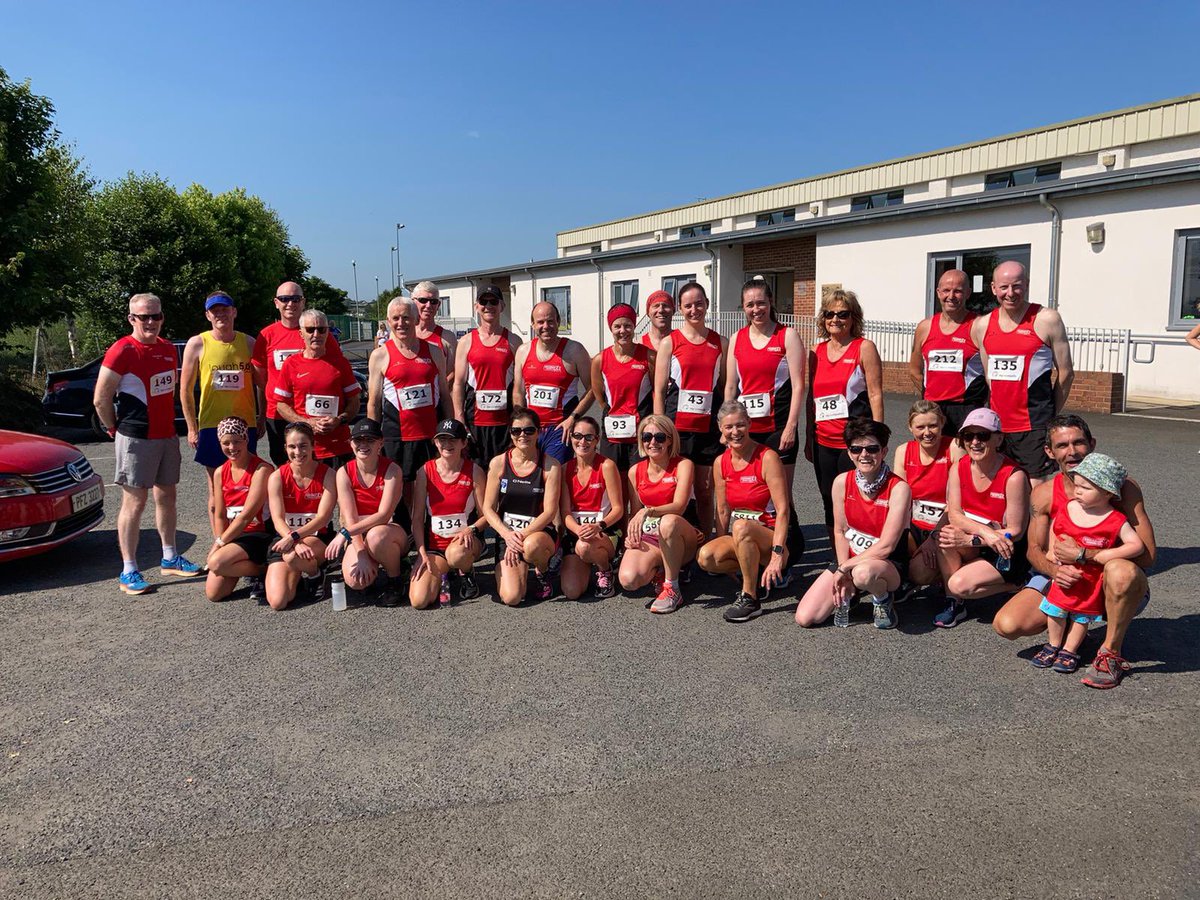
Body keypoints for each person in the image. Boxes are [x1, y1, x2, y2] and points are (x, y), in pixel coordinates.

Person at [992, 415, 1156, 689]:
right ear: (1049, 451)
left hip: (1106, 579)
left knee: (1122, 572)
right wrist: (1057, 571)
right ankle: (1071, 626)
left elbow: (1148, 555)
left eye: (1078, 442)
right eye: (1062, 445)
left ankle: (1109, 653)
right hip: (1063, 578)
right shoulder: (1044, 494)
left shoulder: (1122, 488)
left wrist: (1084, 555)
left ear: (1091, 444)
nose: (1072, 451)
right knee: (1007, 625)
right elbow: (1034, 549)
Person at [93, 293, 202, 593]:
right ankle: (129, 570)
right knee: (134, 502)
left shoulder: (168, 348)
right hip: (135, 436)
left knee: (167, 497)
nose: (151, 322)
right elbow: (101, 398)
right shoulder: (122, 350)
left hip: (166, 435)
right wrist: (113, 427)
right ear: (132, 319)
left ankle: (170, 558)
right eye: (144, 317)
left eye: (156, 316)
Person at [1029, 453, 1145, 675]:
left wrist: (1103, 555)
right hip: (1064, 576)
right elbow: (1057, 527)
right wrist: (1053, 551)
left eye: (1086, 488)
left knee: (1081, 617)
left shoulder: (1115, 520)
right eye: (1077, 485)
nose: (1077, 491)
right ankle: (1053, 644)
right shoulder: (1070, 507)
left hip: (1089, 582)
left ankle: (1070, 650)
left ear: (1107, 493)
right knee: (1055, 611)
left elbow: (1136, 545)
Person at [795, 418, 909, 630]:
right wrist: (843, 567)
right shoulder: (841, 482)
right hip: (850, 559)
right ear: (849, 453)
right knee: (806, 617)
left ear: (883, 452)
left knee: (863, 574)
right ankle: (855, 589)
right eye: (856, 449)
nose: (864, 455)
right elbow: (840, 531)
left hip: (886, 565)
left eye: (872, 449)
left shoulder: (899, 488)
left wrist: (846, 568)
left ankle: (883, 598)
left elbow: (886, 546)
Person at [725, 278, 806, 560]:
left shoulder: (787, 336)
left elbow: (798, 385)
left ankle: (790, 555)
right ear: (743, 307)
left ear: (770, 302)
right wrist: (727, 429)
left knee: (781, 496)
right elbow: (731, 388)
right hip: (747, 433)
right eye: (750, 304)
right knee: (754, 495)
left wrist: (792, 426)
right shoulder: (736, 339)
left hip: (779, 428)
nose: (756, 309)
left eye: (761, 302)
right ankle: (758, 552)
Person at [973, 261, 1074, 481]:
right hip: (997, 426)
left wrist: (1049, 415)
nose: (1010, 293)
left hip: (1033, 426)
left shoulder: (1046, 319)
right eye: (1004, 287)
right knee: (999, 486)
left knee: (1034, 490)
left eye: (1017, 286)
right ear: (993, 288)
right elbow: (990, 377)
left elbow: (1066, 373)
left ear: (1026, 285)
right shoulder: (982, 325)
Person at [697, 401, 794, 623]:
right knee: (706, 557)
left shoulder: (767, 457)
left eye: (740, 425)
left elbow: (783, 511)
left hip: (772, 536)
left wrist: (778, 554)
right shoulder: (721, 462)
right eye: (728, 427)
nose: (735, 432)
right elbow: (722, 509)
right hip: (742, 536)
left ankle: (750, 598)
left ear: (749, 424)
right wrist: (722, 543)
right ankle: (755, 574)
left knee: (740, 526)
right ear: (720, 428)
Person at [934, 408, 1031, 628]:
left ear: (998, 438)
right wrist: (983, 533)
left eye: (983, 435)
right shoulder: (958, 468)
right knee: (946, 535)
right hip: (984, 538)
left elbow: (1016, 531)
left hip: (1006, 548)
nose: (975, 442)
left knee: (960, 584)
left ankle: (1019, 582)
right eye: (969, 436)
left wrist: (971, 540)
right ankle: (954, 602)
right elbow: (955, 513)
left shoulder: (1014, 476)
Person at [804, 289, 884, 539]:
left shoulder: (864, 348)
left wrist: (878, 439)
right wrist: (808, 437)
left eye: (843, 314)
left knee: (858, 497)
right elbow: (811, 398)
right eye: (830, 314)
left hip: (854, 442)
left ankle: (861, 549)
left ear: (853, 318)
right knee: (829, 499)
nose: (835, 319)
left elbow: (875, 395)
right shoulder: (815, 351)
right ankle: (837, 554)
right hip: (823, 442)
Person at [180, 291, 259, 539]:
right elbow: (184, 389)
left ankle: (248, 539)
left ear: (234, 312)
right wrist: (192, 428)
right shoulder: (198, 343)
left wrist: (262, 417)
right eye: (215, 311)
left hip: (246, 425)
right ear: (207, 315)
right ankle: (219, 540)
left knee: (247, 485)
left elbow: (261, 384)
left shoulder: (248, 343)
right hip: (212, 427)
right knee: (217, 490)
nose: (220, 314)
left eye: (225, 309)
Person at [653, 281, 727, 537]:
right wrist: (659, 429)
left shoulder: (720, 342)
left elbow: (726, 387)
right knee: (677, 491)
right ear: (680, 310)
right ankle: (679, 546)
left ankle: (706, 542)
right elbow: (659, 390)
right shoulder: (669, 342)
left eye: (699, 303)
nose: (694, 309)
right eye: (687, 305)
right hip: (677, 429)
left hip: (708, 429)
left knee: (706, 490)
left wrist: (726, 426)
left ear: (707, 304)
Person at [251, 281, 348, 466]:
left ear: (303, 302)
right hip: (278, 415)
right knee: (285, 465)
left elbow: (337, 372)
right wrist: (262, 415)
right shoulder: (266, 336)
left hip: (314, 414)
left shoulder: (319, 333)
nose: (290, 304)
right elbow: (260, 379)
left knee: (315, 463)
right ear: (276, 303)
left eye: (295, 299)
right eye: (284, 299)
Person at [618, 415, 705, 614]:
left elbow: (680, 506)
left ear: (670, 440)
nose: (653, 442)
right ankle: (662, 570)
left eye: (659, 437)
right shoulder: (635, 471)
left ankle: (672, 588)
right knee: (629, 580)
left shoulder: (683, 465)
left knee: (668, 522)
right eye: (647, 437)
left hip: (682, 533)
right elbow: (635, 511)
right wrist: (631, 536)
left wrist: (649, 510)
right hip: (651, 536)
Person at [367, 295, 451, 494]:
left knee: (433, 487)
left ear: (416, 319)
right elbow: (373, 403)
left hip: (430, 435)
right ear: (388, 322)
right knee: (402, 491)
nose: (401, 323)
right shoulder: (380, 355)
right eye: (395, 318)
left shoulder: (435, 351)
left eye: (406, 317)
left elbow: (445, 395)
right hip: (396, 436)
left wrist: (450, 430)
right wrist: (372, 438)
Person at [324, 418, 409, 605]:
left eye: (369, 440)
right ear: (351, 443)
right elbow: (349, 517)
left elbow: (384, 515)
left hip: (390, 533)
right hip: (359, 535)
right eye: (358, 440)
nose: (363, 445)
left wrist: (344, 533)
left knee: (376, 537)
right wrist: (360, 553)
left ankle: (396, 579)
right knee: (356, 581)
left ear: (381, 443)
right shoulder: (344, 472)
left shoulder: (392, 470)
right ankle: (373, 566)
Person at [482, 407, 562, 605]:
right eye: (516, 431)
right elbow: (488, 508)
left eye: (529, 430)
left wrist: (519, 536)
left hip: (538, 534)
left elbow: (550, 511)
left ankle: (543, 571)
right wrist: (507, 535)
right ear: (510, 433)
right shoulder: (499, 463)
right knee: (512, 597)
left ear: (539, 431)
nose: (522, 435)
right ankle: (522, 569)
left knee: (531, 547)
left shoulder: (550, 465)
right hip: (508, 535)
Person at [409, 418, 487, 608]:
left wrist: (471, 529)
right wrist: (421, 553)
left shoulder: (474, 471)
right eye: (442, 439)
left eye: (453, 439)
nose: (447, 444)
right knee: (420, 601)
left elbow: (487, 515)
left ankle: (467, 574)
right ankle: (447, 572)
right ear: (435, 442)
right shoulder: (424, 472)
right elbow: (418, 518)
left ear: (463, 443)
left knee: (457, 554)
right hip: (435, 546)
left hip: (465, 544)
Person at [263, 421, 338, 610]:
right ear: (285, 448)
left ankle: (314, 574)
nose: (298, 452)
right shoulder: (277, 477)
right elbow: (277, 518)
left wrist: (296, 537)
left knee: (291, 557)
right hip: (286, 540)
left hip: (316, 538)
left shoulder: (328, 474)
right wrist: (293, 540)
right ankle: (298, 573)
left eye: (303, 446)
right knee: (278, 602)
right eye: (292, 447)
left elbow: (322, 517)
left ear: (313, 446)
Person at [273, 309, 361, 466]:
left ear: (328, 332)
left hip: (339, 448)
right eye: (310, 330)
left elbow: (354, 401)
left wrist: (339, 420)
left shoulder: (341, 363)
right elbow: (281, 404)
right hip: (305, 450)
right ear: (301, 333)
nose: (316, 334)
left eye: (321, 329)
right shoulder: (291, 364)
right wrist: (306, 423)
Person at [892, 400, 963, 587]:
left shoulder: (954, 447)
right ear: (910, 427)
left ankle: (951, 573)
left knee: (918, 575)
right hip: (914, 525)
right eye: (920, 427)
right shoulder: (903, 451)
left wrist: (934, 537)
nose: (927, 433)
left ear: (942, 423)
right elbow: (900, 500)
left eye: (933, 426)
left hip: (946, 524)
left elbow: (959, 502)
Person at [203, 417, 275, 603]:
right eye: (226, 443)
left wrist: (219, 544)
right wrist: (223, 541)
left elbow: (246, 516)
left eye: (237, 441)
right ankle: (254, 569)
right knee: (214, 594)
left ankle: (262, 569)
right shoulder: (220, 472)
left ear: (246, 440)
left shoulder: (262, 469)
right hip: (235, 536)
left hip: (258, 534)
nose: (232, 447)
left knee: (216, 563)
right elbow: (219, 513)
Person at [908, 269, 987, 435]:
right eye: (946, 290)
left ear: (967, 293)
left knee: (967, 459)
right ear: (938, 292)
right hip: (933, 409)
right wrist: (928, 394)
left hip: (966, 410)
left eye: (958, 291)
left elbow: (991, 373)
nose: (951, 296)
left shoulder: (979, 325)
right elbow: (914, 370)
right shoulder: (925, 327)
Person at [512, 301, 592, 464]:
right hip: (531, 429)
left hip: (559, 429)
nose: (545, 326)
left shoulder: (574, 351)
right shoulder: (523, 351)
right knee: (532, 477)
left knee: (555, 476)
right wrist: (520, 423)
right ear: (533, 324)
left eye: (550, 321)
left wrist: (573, 418)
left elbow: (593, 389)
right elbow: (518, 391)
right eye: (540, 322)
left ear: (558, 322)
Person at [453, 284, 521, 468]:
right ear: (477, 306)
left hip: (504, 423)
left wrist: (519, 418)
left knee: (503, 472)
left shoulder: (514, 341)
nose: (488, 306)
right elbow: (458, 384)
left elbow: (519, 386)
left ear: (502, 306)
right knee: (477, 474)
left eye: (493, 302)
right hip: (475, 422)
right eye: (484, 301)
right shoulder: (466, 341)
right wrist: (459, 418)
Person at [559, 416, 623, 600]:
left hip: (604, 531)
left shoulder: (607, 466)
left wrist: (598, 526)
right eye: (577, 436)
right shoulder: (564, 469)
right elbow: (565, 513)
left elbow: (618, 508)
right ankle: (587, 563)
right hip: (577, 533)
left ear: (597, 439)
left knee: (585, 546)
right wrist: (579, 530)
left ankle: (606, 570)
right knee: (572, 592)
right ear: (570, 437)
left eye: (589, 437)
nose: (582, 442)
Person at [591, 303, 654, 472]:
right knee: (613, 483)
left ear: (634, 327)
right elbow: (599, 395)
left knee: (638, 483)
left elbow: (658, 390)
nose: (623, 330)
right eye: (617, 326)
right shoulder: (599, 360)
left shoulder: (648, 356)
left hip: (640, 433)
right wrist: (612, 412)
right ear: (611, 329)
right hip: (613, 434)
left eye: (628, 325)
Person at [412, 280, 458, 383]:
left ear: (439, 305)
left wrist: (436, 391)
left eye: (433, 301)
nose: (428, 305)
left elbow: (454, 372)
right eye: (423, 300)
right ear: (413, 302)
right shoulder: (401, 335)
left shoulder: (447, 337)